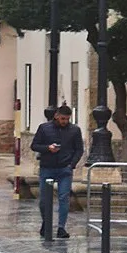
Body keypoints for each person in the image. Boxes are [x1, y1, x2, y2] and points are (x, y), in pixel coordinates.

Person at [31, 102, 83, 242]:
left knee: (63, 198)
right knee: (44, 200)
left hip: (64, 168)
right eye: (62, 119)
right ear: (56, 116)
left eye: (67, 119)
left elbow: (79, 149)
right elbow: (34, 145)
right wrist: (48, 148)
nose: (65, 122)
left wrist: (72, 164)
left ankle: (61, 227)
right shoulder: (44, 128)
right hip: (47, 167)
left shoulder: (75, 130)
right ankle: (46, 222)